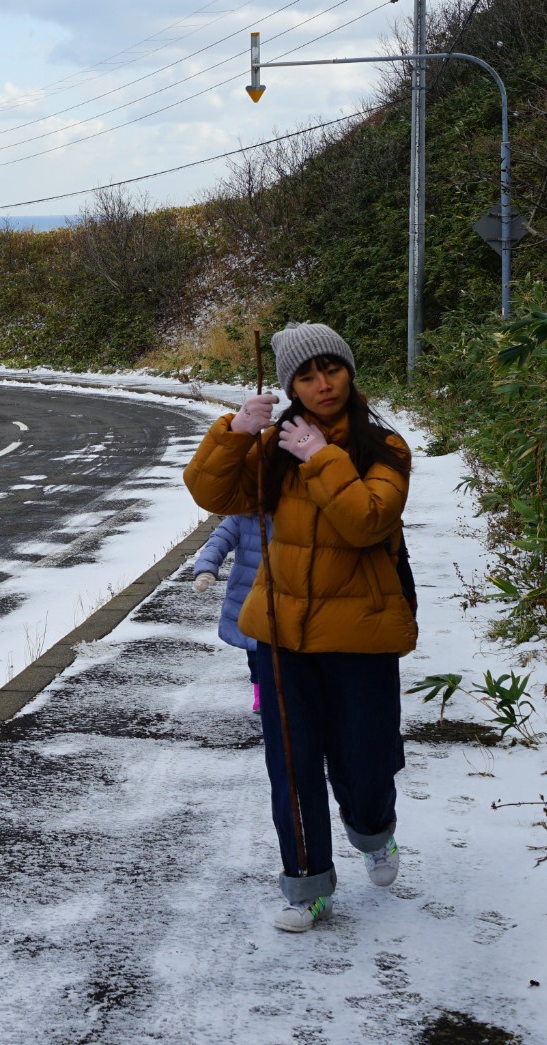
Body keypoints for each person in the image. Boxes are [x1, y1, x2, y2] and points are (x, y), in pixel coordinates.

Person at [183, 322, 415, 934]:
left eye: (330, 370)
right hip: (281, 636)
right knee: (293, 766)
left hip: (360, 636)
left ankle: (374, 830)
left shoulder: (384, 448)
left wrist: (321, 457)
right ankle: (307, 887)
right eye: (305, 377)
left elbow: (367, 521)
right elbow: (213, 494)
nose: (322, 385)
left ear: (348, 371)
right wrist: (234, 434)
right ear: (290, 385)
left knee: (364, 763)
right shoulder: (275, 448)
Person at [191, 514, 264, 710]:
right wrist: (206, 569)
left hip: (285, 595)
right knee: (256, 651)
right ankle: (261, 694)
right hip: (250, 596)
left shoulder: (295, 512)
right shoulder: (242, 518)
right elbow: (218, 542)